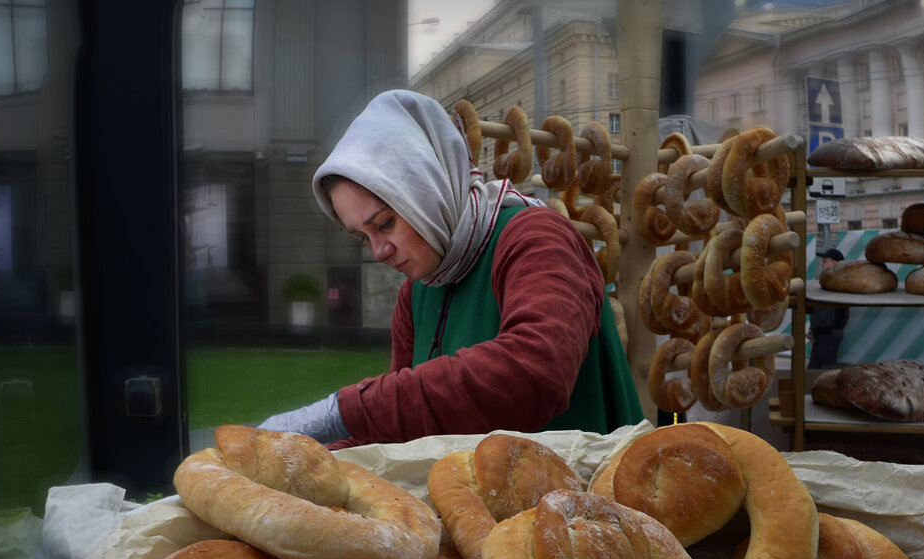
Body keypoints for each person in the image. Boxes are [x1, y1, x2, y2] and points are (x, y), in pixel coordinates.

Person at [258, 89, 644, 447]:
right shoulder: (420, 288)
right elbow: (400, 422)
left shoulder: (537, 238)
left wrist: (342, 412)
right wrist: (313, 453)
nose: (378, 251)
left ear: (426, 190)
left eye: (385, 223)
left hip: (584, 503)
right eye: (363, 237)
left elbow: (534, 374)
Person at [807, 248, 849, 369]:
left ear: (835, 263)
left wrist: (815, 329)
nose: (822, 263)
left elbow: (826, 312)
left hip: (828, 333)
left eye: (825, 261)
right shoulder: (832, 281)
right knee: (817, 368)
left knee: (822, 369)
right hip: (825, 333)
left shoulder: (837, 282)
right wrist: (814, 331)